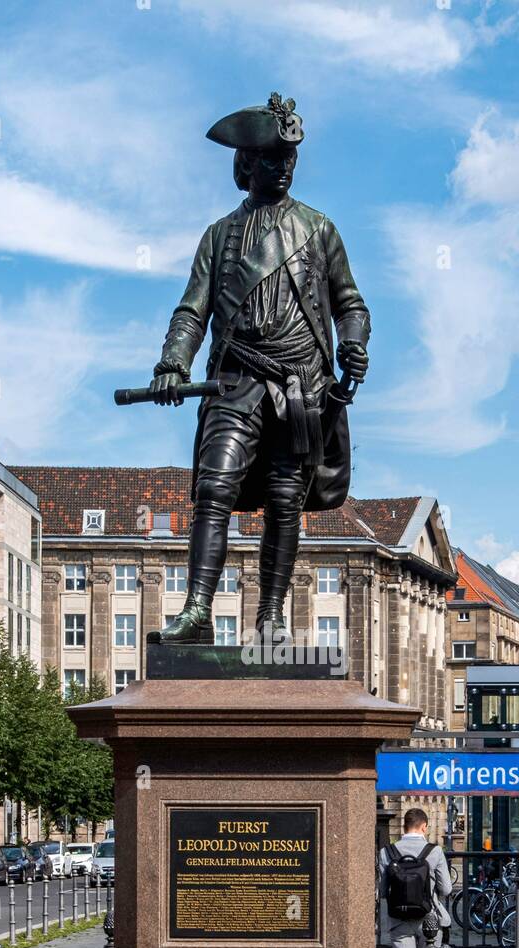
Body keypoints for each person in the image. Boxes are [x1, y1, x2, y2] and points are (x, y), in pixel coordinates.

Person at [149, 92, 370, 644]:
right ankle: (198, 608)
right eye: (271, 159)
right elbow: (192, 308)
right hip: (235, 379)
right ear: (246, 165)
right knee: (214, 487)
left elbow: (351, 304)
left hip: (301, 386)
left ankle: (270, 618)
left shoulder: (318, 229)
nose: (283, 168)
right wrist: (174, 360)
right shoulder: (220, 235)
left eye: (289, 159)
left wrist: (353, 343)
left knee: (283, 501)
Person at [378, 808, 453, 948]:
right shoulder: (435, 851)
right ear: (424, 827)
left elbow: (382, 892)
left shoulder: (387, 852)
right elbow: (446, 889)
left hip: (399, 919)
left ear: (404, 827)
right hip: (429, 920)